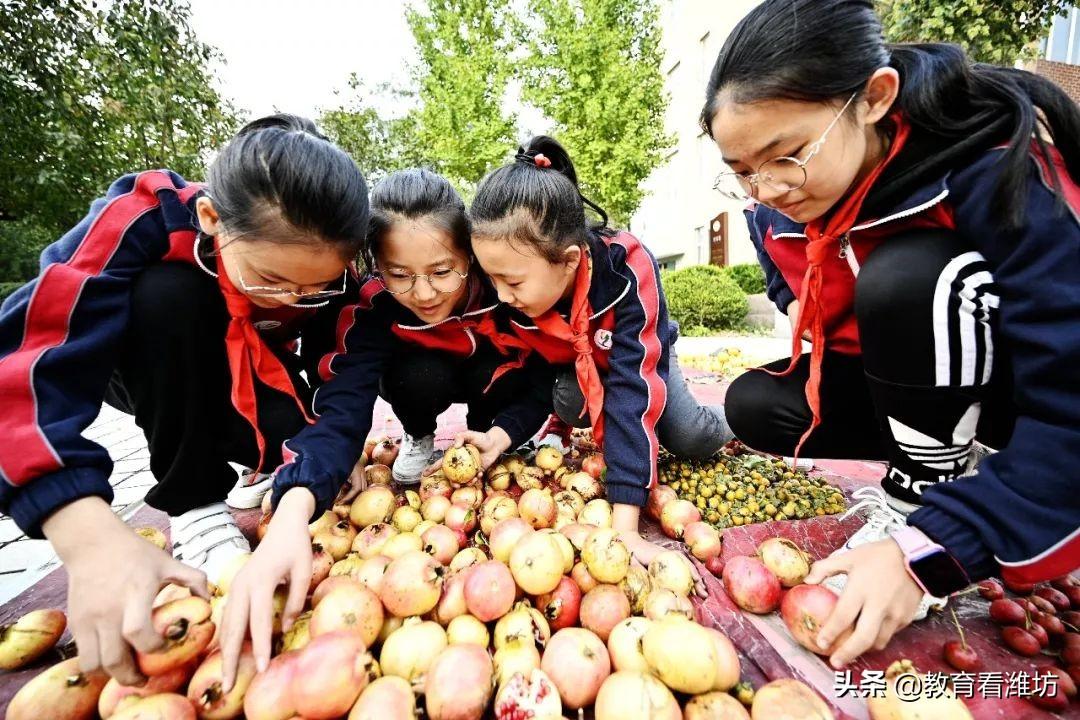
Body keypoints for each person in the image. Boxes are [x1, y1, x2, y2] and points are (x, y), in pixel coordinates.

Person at [701, 0, 1080, 668]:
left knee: (907, 273)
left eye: (786, 156)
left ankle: (929, 489)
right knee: (757, 404)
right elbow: (785, 277)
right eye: (741, 172)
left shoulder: (992, 169)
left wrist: (929, 552)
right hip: (921, 380)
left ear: (874, 98)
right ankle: (941, 456)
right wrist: (800, 302)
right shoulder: (776, 208)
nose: (767, 189)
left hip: (1018, 392)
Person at [0, 113, 371, 685]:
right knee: (165, 294)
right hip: (158, 365)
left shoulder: (341, 274)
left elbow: (345, 388)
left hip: (263, 376)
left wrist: (307, 486)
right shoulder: (147, 216)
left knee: (316, 460)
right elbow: (31, 353)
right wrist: (81, 529)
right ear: (211, 219)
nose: (294, 298)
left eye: (314, 288)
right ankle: (193, 501)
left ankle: (261, 459)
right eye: (271, 280)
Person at [218, 168, 551, 686]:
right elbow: (344, 402)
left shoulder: (503, 287)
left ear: (469, 257)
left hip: (491, 385)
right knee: (418, 371)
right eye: (400, 273)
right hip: (425, 379)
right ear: (374, 264)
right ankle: (419, 436)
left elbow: (539, 377)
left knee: (501, 378)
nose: (422, 291)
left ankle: (494, 443)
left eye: (443, 270)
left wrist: (504, 433)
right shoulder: (371, 307)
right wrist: (296, 507)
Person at [466, 136, 733, 578]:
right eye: (491, 278)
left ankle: (735, 417)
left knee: (688, 436)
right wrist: (499, 437)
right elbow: (535, 380)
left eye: (510, 281)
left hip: (640, 357)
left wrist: (626, 524)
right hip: (576, 364)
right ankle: (586, 428)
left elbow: (634, 386)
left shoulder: (627, 268)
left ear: (570, 260)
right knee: (570, 402)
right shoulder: (514, 295)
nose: (500, 295)